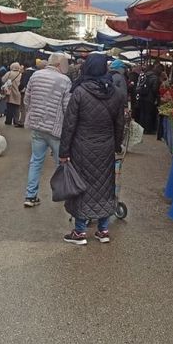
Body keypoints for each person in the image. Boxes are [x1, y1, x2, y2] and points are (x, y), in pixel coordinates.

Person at [59, 54, 126, 245]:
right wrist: (116, 145)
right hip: (105, 146)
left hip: (82, 146)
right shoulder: (116, 93)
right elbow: (119, 123)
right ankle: (103, 230)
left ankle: (80, 232)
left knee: (82, 187)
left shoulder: (79, 92)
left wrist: (64, 152)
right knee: (105, 187)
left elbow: (69, 124)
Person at [22, 53, 72, 207]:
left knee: (36, 161)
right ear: (59, 65)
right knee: (61, 163)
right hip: (55, 128)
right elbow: (67, 107)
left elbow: (26, 99)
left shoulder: (35, 76)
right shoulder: (65, 80)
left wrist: (33, 113)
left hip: (37, 125)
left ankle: (30, 196)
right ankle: (61, 193)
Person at [135, 65, 160, 134]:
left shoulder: (143, 76)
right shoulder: (155, 77)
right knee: (148, 114)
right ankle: (147, 130)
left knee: (142, 113)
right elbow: (155, 89)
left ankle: (141, 129)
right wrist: (156, 97)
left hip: (142, 97)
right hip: (150, 98)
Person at [16, 60, 39, 127]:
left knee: (23, 107)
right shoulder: (36, 72)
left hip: (25, 92)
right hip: (35, 92)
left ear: (24, 66)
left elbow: (23, 83)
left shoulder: (26, 73)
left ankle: (22, 122)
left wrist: (19, 88)